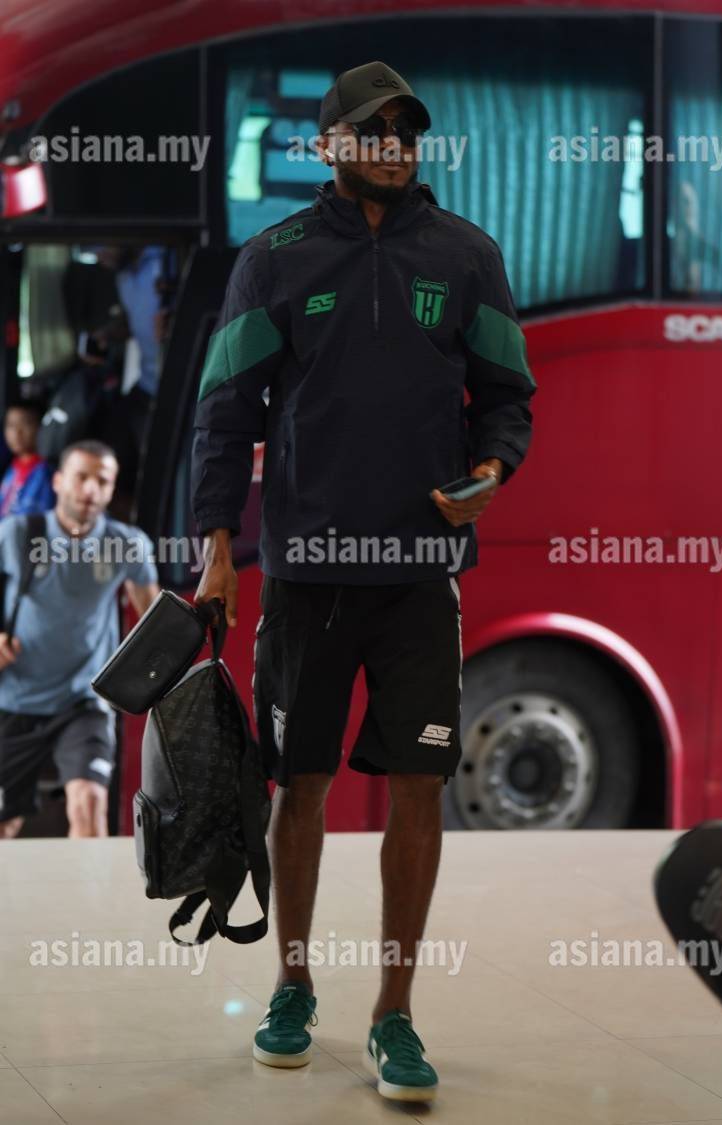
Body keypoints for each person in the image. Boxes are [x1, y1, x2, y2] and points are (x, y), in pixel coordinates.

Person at [191, 60, 536, 1102]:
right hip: (306, 572)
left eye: (407, 131)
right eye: (374, 130)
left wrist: (492, 471)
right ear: (329, 144)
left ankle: (395, 1014)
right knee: (300, 783)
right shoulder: (274, 259)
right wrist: (216, 544)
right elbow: (225, 411)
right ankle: (291, 987)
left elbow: (507, 396)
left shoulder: (467, 256)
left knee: (420, 785)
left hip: (422, 573)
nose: (394, 146)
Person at [0, 440, 159, 839]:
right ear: (58, 481)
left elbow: (155, 625)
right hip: (15, 699)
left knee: (89, 805)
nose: (90, 489)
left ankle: (92, 885)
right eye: (81, 477)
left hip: (84, 701)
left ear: (112, 489)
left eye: (101, 481)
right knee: (5, 823)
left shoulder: (128, 544)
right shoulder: (17, 535)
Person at [0, 401, 55, 518]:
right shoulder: (12, 468)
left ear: (40, 427)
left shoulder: (45, 472)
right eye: (11, 425)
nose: (17, 432)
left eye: (25, 424)